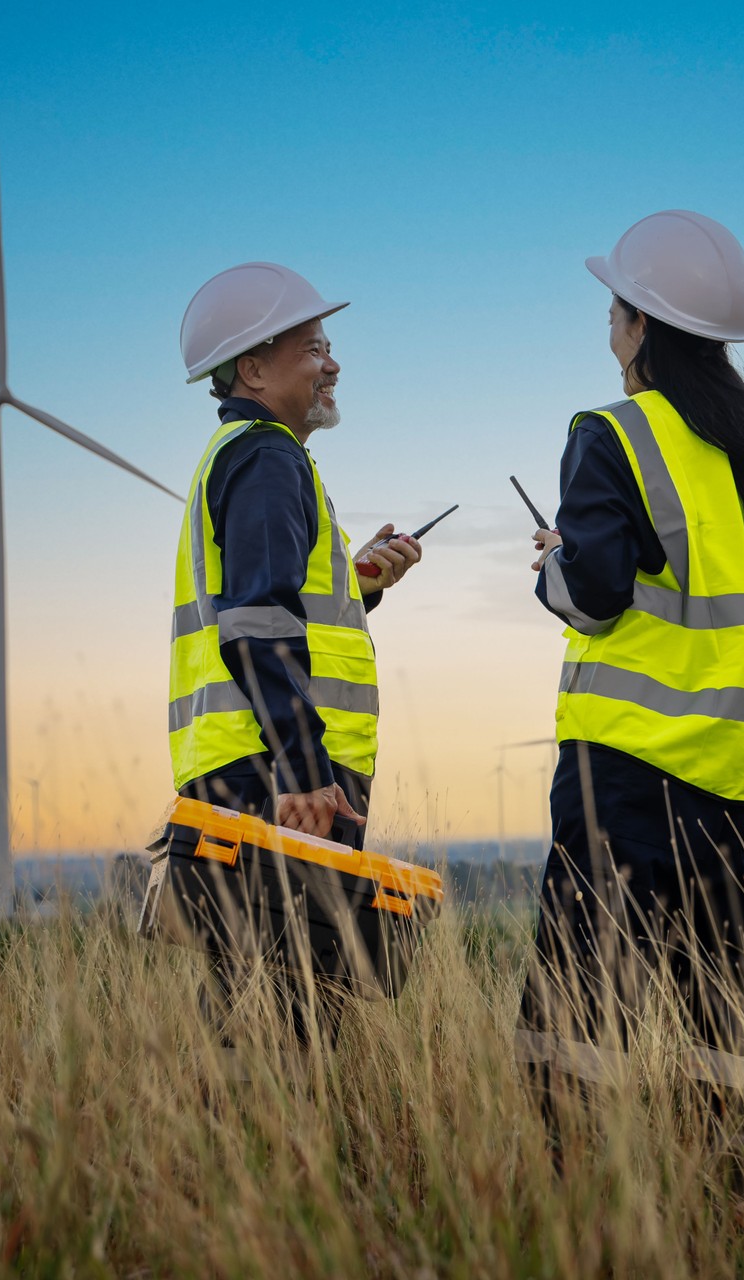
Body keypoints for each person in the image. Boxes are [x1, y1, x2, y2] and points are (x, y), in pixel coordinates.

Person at [514, 212, 744, 1173]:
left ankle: (578, 1221)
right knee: (733, 1044)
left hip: (629, 780)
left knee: (574, 1032)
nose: (610, 336)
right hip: (739, 788)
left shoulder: (612, 435)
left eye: (615, 315)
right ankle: (733, 1219)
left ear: (642, 324)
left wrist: (555, 566)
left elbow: (596, 596)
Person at [166, 261, 422, 1047]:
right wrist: (305, 772)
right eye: (313, 348)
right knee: (300, 1007)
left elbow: (287, 604)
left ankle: (247, 1159)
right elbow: (256, 624)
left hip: (250, 763)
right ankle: (278, 1159)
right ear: (253, 367)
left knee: (257, 999)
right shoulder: (268, 458)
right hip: (280, 774)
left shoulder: (254, 457)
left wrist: (363, 580)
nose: (332, 363)